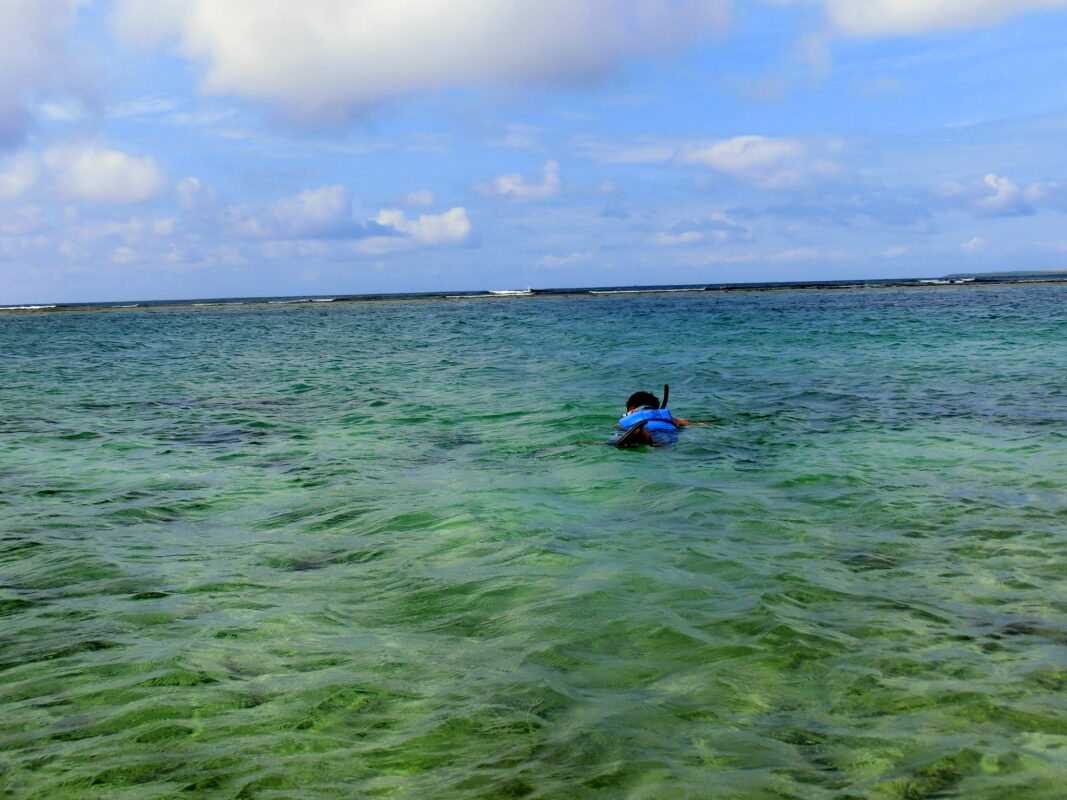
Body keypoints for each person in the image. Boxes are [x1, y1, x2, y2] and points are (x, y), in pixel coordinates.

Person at [614, 390, 703, 447]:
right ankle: (650, 439)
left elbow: (619, 425)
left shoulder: (632, 413)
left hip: (641, 426)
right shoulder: (666, 416)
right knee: (664, 444)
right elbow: (691, 424)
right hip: (665, 432)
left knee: (618, 435)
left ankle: (641, 433)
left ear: (632, 407)